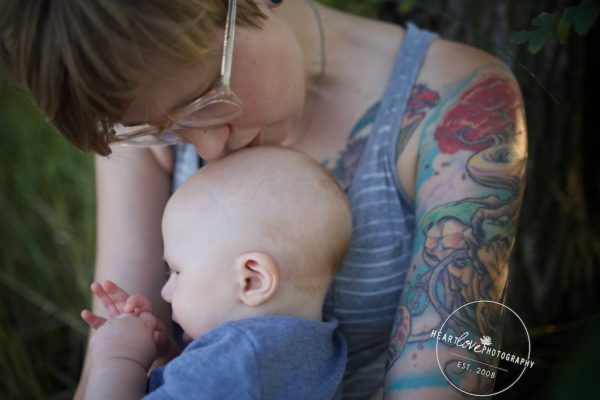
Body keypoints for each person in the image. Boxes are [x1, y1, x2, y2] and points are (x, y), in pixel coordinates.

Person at [0, 0, 528, 398]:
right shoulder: (134, 112)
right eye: (163, 130)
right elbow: (108, 359)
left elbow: (451, 381)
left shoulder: (461, 108)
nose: (207, 148)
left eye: (209, 101)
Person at [79, 146, 350, 399]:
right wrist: (171, 359)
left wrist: (118, 358)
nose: (165, 292)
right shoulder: (320, 351)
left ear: (252, 280)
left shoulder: (236, 356)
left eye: (177, 271)